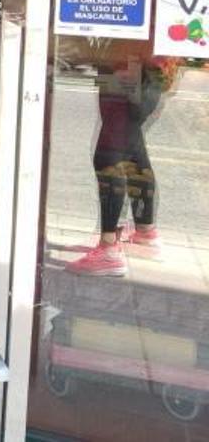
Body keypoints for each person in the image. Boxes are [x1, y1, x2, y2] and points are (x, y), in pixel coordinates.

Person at [65, 42, 168, 277]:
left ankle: (109, 248)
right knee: (133, 149)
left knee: (109, 155)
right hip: (141, 64)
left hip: (130, 63)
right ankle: (145, 233)